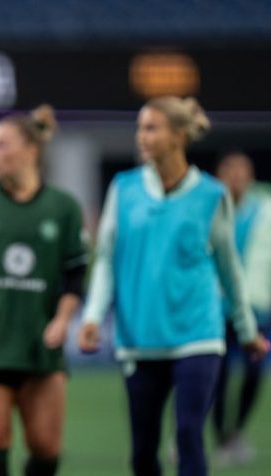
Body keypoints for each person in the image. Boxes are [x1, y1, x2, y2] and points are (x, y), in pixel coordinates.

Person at [77, 96, 268, 476]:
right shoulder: (124, 188)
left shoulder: (211, 195)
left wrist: (246, 330)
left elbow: (229, 269)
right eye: (139, 128)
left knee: (187, 434)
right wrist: (93, 316)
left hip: (198, 333)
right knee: (144, 451)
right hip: (140, 336)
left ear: (179, 136)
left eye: (151, 128)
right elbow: (106, 261)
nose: (141, 137)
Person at [0, 105, 87, 476]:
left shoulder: (63, 207)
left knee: (46, 447)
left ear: (31, 151)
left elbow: (75, 274)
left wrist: (63, 320)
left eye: (3, 145)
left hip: (40, 348)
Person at [212, 151, 271, 466]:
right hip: (215, 308)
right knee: (216, 375)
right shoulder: (209, 209)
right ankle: (220, 435)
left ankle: (236, 433)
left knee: (253, 372)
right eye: (229, 171)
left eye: (241, 171)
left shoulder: (265, 212)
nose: (235, 177)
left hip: (254, 308)